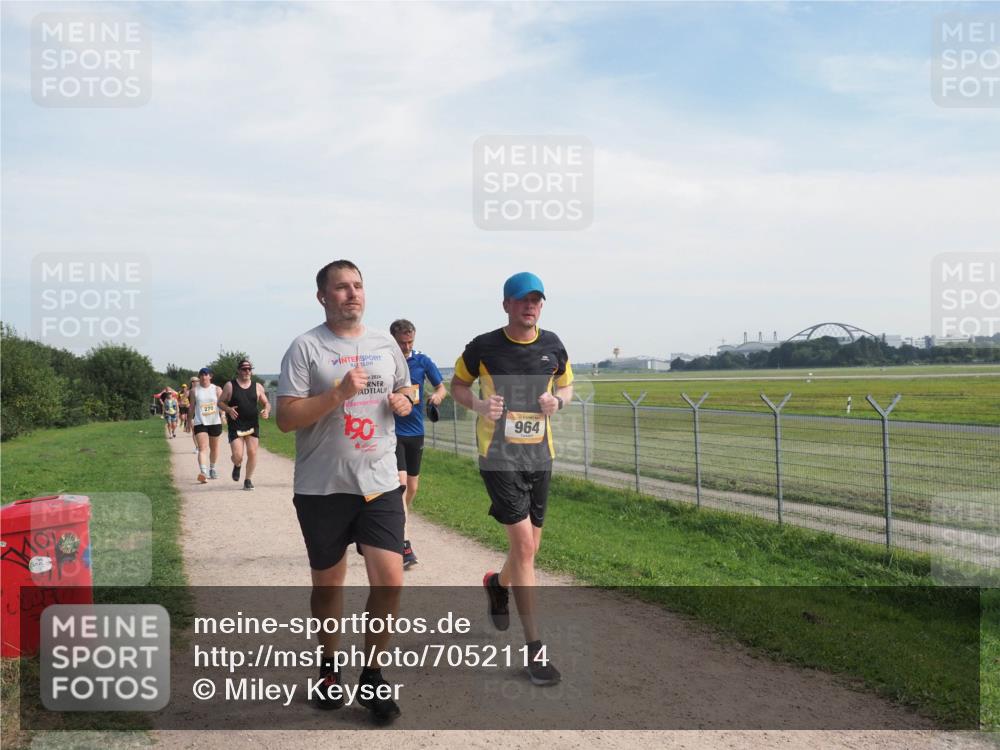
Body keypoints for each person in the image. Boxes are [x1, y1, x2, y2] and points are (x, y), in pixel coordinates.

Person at [277, 259, 413, 724]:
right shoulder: (305, 348)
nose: (351, 294)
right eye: (340, 288)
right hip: (322, 488)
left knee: (390, 581)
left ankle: (372, 673)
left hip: (378, 484)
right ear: (322, 296)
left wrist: (405, 399)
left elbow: (405, 387)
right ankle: (330, 666)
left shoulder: (385, 344)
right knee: (328, 585)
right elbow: (286, 418)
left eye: (357, 286)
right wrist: (336, 395)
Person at [450, 271, 573, 687]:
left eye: (536, 300)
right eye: (522, 300)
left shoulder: (553, 344)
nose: (530, 306)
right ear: (506, 304)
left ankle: (497, 584)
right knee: (523, 547)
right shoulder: (483, 347)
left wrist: (557, 401)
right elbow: (457, 387)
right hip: (498, 458)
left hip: (541, 456)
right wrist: (482, 407)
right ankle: (535, 649)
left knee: (530, 549)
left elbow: (567, 388)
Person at [388, 319, 446, 569]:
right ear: (393, 340)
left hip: (416, 432)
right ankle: (403, 544)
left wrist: (437, 396)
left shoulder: (422, 361)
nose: (406, 346)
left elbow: (442, 387)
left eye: (410, 342)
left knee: (411, 488)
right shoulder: (385, 361)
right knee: (401, 485)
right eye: (402, 343)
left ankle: (395, 520)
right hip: (392, 432)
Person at [219, 358, 271, 491]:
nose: (247, 371)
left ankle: (248, 480)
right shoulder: (230, 386)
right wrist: (229, 410)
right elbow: (220, 402)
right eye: (244, 369)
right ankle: (237, 465)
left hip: (252, 423)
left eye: (249, 369)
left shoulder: (257, 386)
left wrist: (266, 410)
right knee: (238, 456)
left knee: (252, 452)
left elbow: (266, 403)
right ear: (238, 371)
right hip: (236, 425)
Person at [191, 367, 224, 483]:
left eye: (206, 374)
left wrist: (223, 415)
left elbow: (221, 404)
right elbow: (191, 407)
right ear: (199, 377)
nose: (204, 377)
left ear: (210, 376)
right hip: (200, 422)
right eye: (201, 375)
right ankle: (203, 472)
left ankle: (212, 468)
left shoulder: (217, 389)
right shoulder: (194, 390)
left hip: (215, 422)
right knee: (202, 448)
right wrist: (188, 421)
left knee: (214, 448)